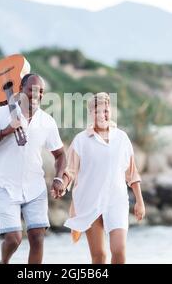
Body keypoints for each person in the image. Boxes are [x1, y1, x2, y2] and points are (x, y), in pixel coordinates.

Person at [0, 74, 67, 264]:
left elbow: (61, 155)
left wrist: (59, 179)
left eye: (40, 91)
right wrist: (5, 131)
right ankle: (3, 262)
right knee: (14, 239)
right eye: (31, 90)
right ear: (21, 90)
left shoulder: (47, 121)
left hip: (35, 188)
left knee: (37, 237)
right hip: (5, 187)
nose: (35, 94)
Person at [59, 92, 145, 264]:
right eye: (99, 111)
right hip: (90, 202)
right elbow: (70, 170)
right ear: (91, 114)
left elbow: (132, 173)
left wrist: (139, 201)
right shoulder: (81, 140)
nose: (103, 115)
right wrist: (62, 185)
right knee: (99, 256)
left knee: (119, 250)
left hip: (117, 200)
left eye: (106, 110)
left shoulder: (122, 138)